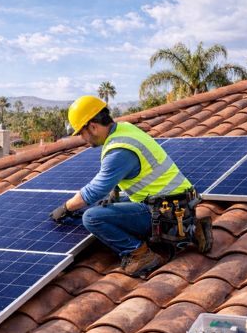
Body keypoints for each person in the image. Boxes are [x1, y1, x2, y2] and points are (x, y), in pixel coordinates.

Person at [50, 95, 212, 277]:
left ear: (93, 126)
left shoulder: (118, 150)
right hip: (181, 204)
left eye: (81, 132)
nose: (82, 138)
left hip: (163, 210)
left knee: (92, 217)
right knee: (109, 203)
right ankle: (193, 228)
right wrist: (114, 195)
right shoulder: (125, 129)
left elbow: (95, 190)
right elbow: (126, 175)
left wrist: (65, 208)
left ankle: (139, 254)